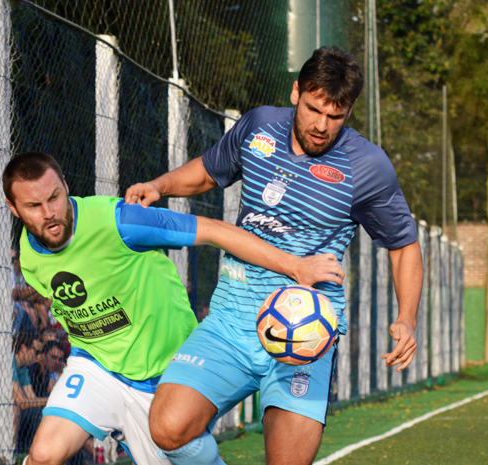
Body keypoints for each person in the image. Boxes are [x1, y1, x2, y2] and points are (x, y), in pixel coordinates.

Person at [125, 46, 424, 465]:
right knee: (168, 428)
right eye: (314, 109)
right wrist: (160, 186)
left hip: (306, 337)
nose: (321, 125)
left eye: (335, 116)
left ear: (349, 112)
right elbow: (209, 171)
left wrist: (406, 318)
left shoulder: (368, 165)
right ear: (295, 91)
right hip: (231, 321)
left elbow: (403, 244)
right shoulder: (259, 126)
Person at [2, 151, 342, 465]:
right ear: (14, 208)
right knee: (43, 454)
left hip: (162, 377)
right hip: (97, 367)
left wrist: (294, 265)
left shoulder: (120, 222)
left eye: (54, 198)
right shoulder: (29, 256)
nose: (48, 214)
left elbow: (214, 231)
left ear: (66, 187)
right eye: (33, 205)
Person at [12, 332, 48, 453]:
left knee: (43, 412)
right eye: (35, 351)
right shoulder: (9, 363)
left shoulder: (23, 368)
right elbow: (22, 402)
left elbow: (31, 398)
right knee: (38, 413)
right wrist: (49, 400)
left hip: (20, 412)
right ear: (23, 348)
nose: (37, 356)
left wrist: (46, 401)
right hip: (10, 411)